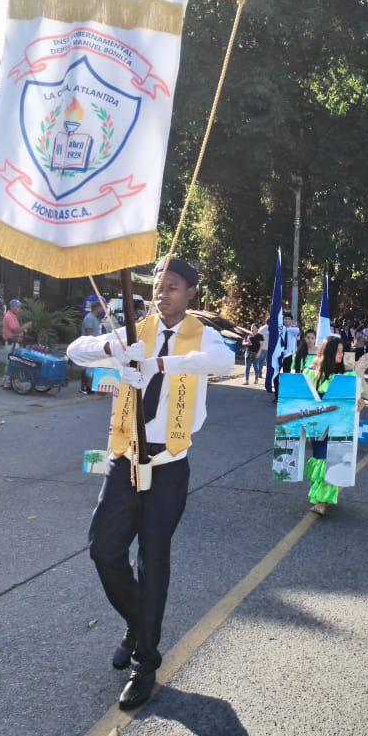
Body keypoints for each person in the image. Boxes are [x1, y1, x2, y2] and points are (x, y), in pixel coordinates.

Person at [66, 257, 234, 711]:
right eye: (159, 285)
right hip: (125, 460)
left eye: (173, 286)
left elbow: (224, 361)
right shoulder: (134, 331)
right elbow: (75, 350)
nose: (163, 293)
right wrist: (115, 349)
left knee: (153, 559)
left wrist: (159, 363)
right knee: (103, 549)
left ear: (191, 292)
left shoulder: (202, 335)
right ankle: (139, 626)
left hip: (168, 466)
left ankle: (145, 662)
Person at [303, 335, 362, 516]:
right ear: (328, 352)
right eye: (337, 351)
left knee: (329, 460)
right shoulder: (311, 373)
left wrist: (361, 403)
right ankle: (320, 496)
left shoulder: (347, 375)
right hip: (317, 425)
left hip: (337, 425)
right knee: (319, 458)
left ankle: (323, 501)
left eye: (342, 351)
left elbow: (356, 399)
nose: (341, 355)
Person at [79, 301, 105, 394]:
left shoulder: (95, 318)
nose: (102, 309)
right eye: (101, 307)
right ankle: (84, 387)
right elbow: (89, 334)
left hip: (94, 346)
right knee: (85, 367)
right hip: (88, 346)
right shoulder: (89, 318)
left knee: (91, 367)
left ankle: (89, 386)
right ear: (97, 307)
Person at [0, 299, 27, 389]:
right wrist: (25, 326)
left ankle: (7, 381)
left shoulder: (13, 316)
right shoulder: (9, 316)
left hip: (15, 343)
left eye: (19, 307)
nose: (19, 308)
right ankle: (6, 382)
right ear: (12, 307)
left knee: (12, 363)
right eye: (18, 307)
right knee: (11, 363)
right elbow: (15, 330)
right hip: (12, 343)